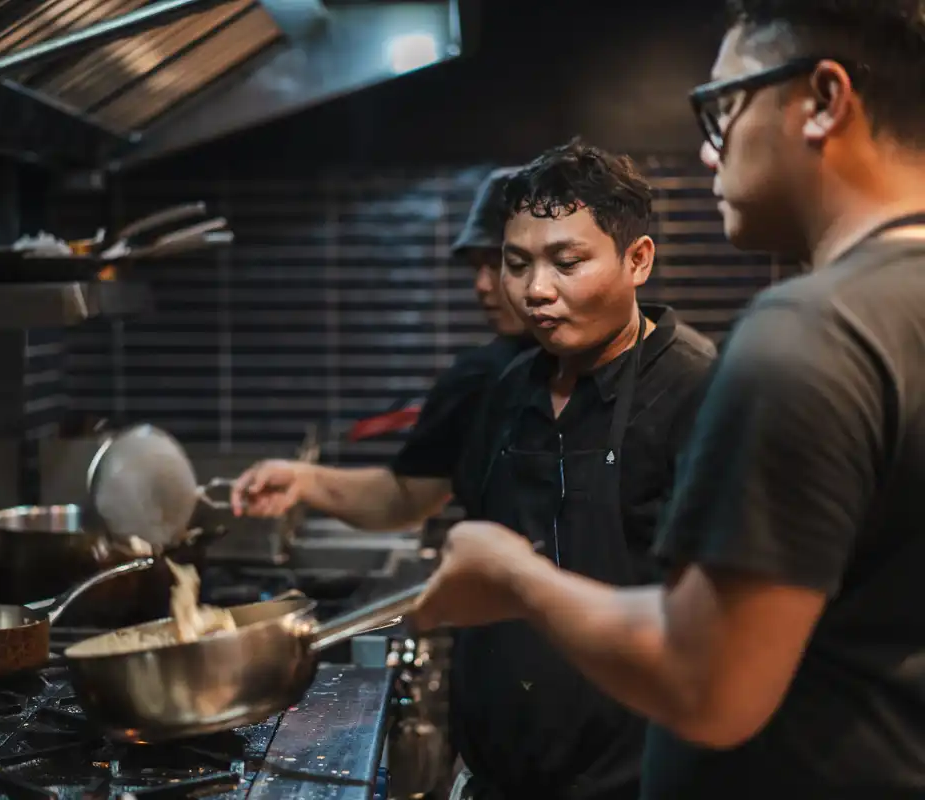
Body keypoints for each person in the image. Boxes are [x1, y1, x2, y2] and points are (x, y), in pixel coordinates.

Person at [414, 2, 925, 798]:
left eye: (723, 108)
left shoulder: (809, 333)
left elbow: (707, 683)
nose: (707, 149)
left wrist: (512, 576)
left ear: (825, 100)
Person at [436, 140, 715, 800]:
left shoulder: (698, 394)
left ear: (637, 259)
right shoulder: (507, 393)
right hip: (497, 779)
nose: (536, 291)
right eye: (517, 264)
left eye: (567, 263)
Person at [228, 167, 532, 529]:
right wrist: (303, 479)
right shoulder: (475, 378)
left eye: (499, 263)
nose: (481, 284)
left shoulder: (591, 375)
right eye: (476, 266)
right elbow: (405, 497)